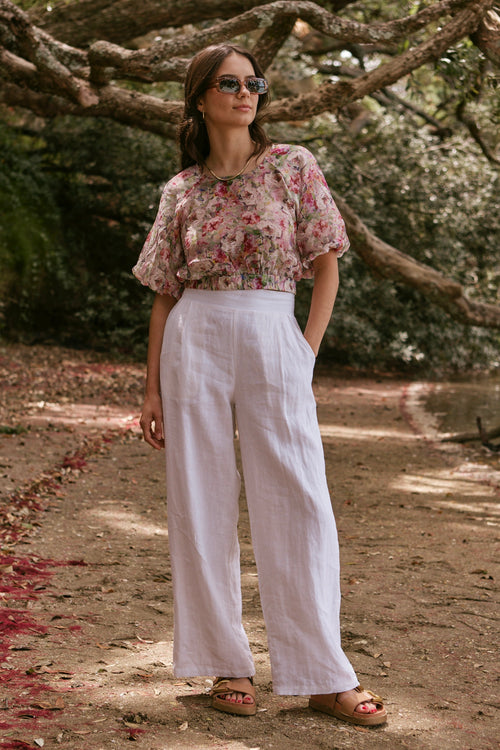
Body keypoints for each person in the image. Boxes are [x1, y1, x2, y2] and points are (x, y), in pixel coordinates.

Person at [132, 43, 387, 727]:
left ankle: (324, 674)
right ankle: (226, 662)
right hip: (195, 338)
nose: (246, 92)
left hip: (275, 328)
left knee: (300, 498)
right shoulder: (180, 190)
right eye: (229, 83)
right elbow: (163, 293)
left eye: (255, 82)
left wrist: (304, 353)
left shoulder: (293, 167)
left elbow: (327, 264)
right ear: (200, 98)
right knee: (200, 498)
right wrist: (150, 387)